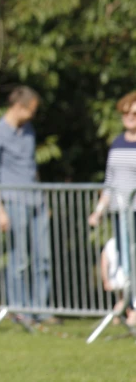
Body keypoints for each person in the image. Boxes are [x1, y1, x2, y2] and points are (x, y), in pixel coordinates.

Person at [0, 86, 47, 321]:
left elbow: (32, 167)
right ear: (18, 107)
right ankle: (19, 310)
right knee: (19, 260)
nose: (33, 116)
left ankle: (41, 309)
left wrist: (44, 201)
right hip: (12, 202)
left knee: (43, 257)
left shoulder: (28, 130)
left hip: (36, 200)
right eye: (31, 111)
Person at [89, 91, 136, 326]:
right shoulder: (117, 143)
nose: (130, 117)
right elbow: (110, 181)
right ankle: (126, 304)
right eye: (126, 112)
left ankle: (133, 306)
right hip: (119, 212)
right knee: (123, 259)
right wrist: (99, 211)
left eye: (134, 113)